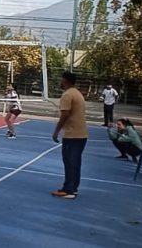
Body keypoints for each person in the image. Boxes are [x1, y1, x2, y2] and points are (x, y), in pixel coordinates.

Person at [52, 72, 88, 200]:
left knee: (70, 161)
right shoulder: (77, 93)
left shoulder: (67, 95)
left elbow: (65, 114)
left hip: (73, 134)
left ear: (65, 80)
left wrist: (56, 131)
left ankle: (69, 190)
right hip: (81, 134)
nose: (60, 82)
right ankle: (72, 187)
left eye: (61, 79)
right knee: (75, 162)